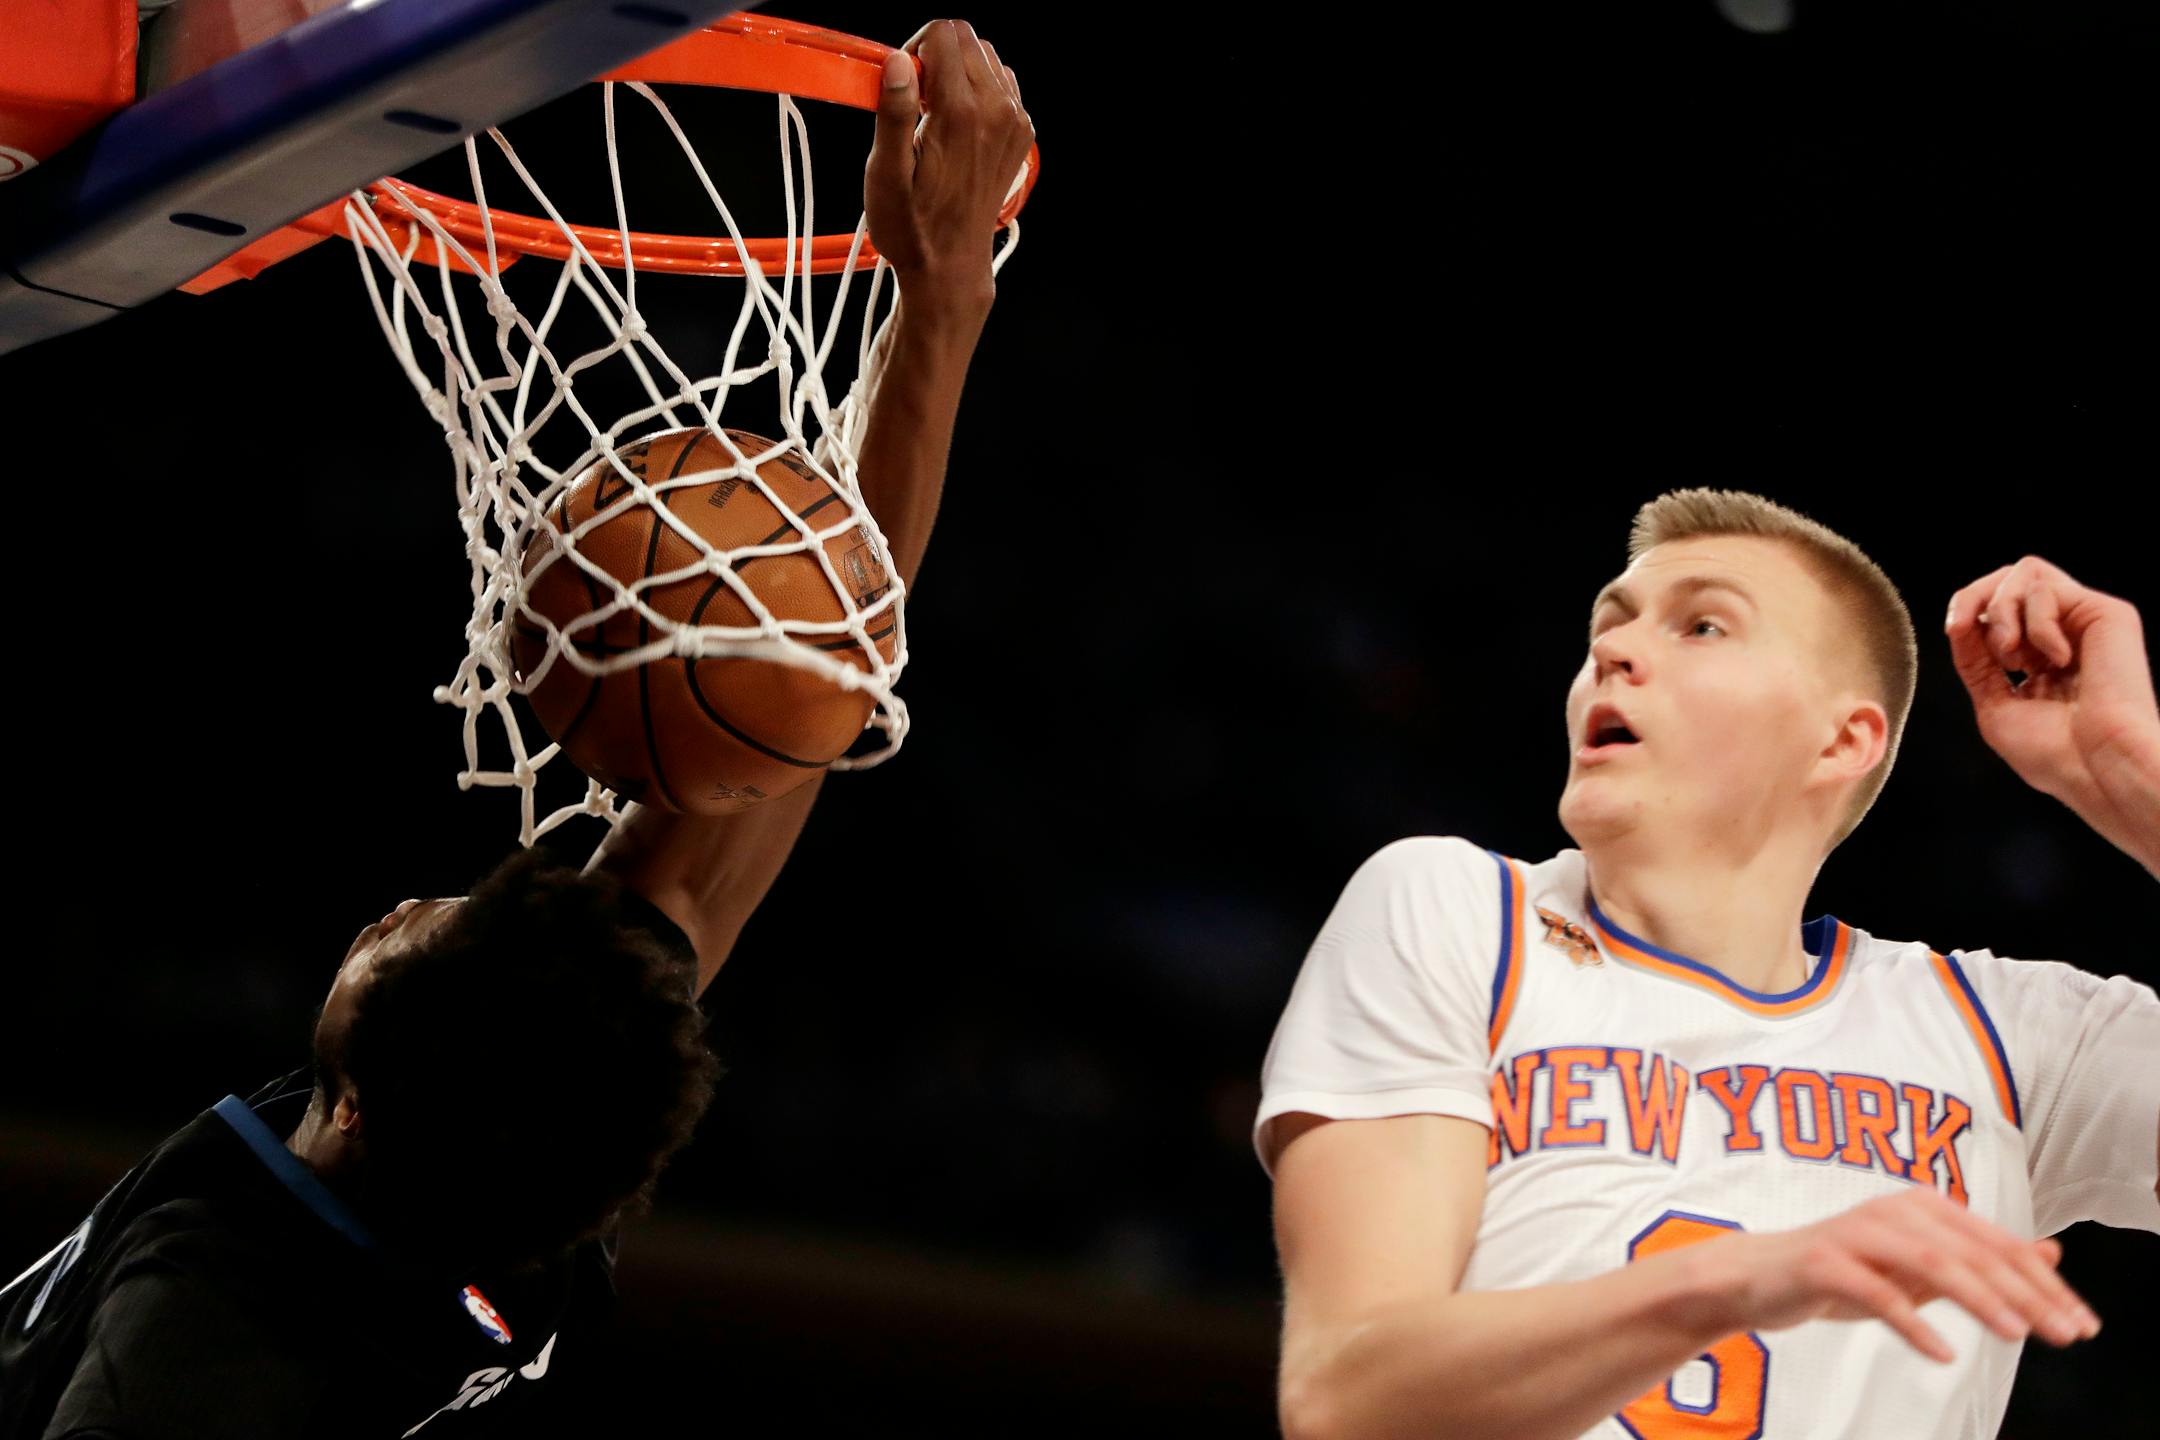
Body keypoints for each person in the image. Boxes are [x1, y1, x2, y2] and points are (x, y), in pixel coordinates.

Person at [0, 21, 1033, 1439]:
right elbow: (791, 703)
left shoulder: (218, 1332)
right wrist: (943, 295)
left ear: (356, 1105)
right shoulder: (507, 1181)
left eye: (410, 930)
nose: (402, 905)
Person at [1257, 490, 2158, 1440]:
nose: (1614, 649)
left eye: (1703, 625)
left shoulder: (2013, 1040)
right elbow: (1347, 1394)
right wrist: (1744, 1277)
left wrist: (2136, 776)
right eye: (1609, 624)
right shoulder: (1459, 913)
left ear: (1843, 739)